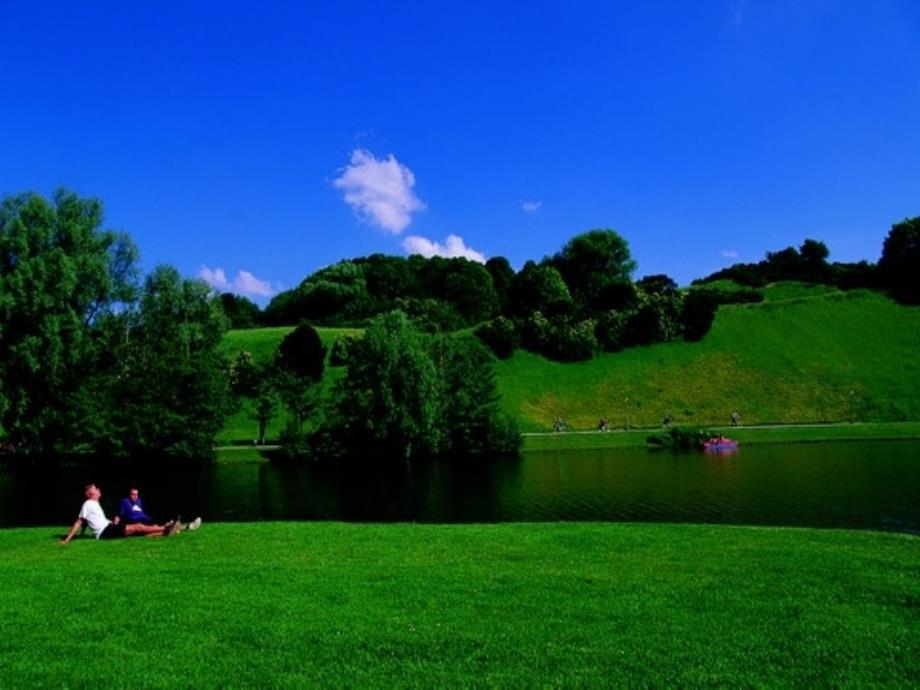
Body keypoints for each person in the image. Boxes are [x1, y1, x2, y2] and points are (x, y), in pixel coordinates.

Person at [60, 484, 201, 544]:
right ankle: (170, 527)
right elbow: (79, 521)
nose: (99, 490)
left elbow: (86, 522)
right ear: (91, 493)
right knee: (138, 527)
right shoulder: (88, 503)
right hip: (105, 531)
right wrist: (67, 539)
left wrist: (82, 534)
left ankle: (172, 529)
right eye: (96, 489)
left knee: (141, 532)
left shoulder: (93, 504)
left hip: (109, 527)